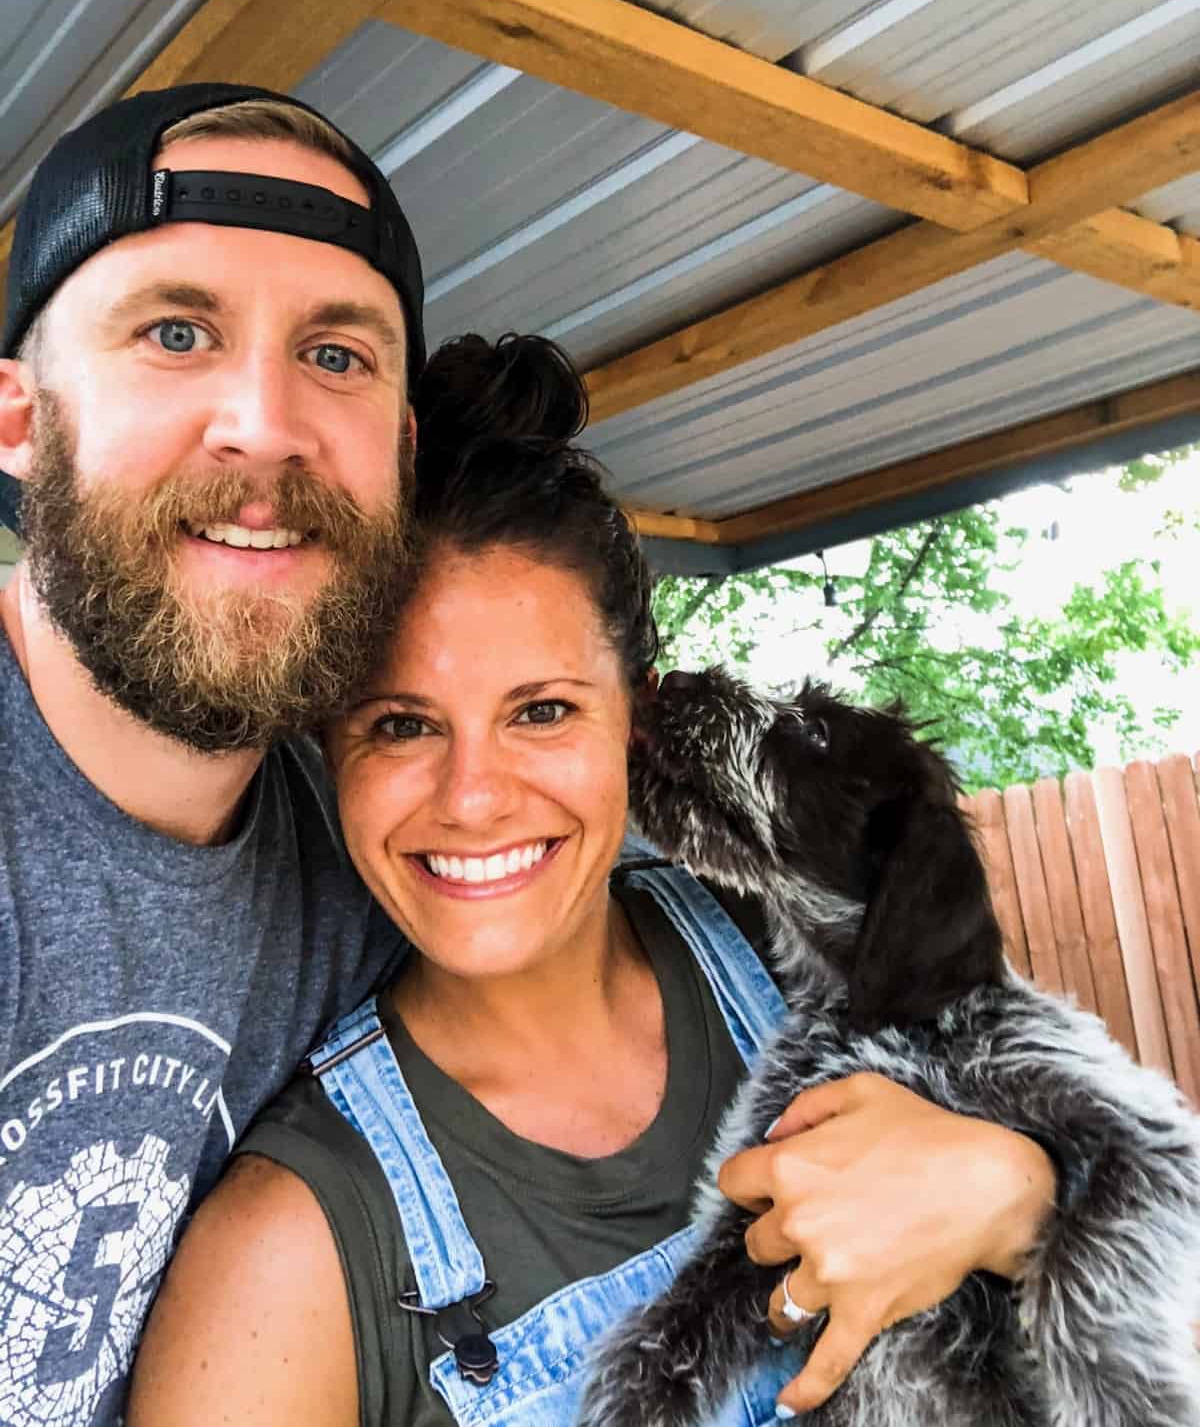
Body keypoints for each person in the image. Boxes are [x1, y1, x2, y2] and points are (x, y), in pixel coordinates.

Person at [127, 334, 1070, 1427]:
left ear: (639, 719)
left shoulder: (825, 946)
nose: (472, 796)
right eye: (400, 724)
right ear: (324, 748)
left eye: (542, 710)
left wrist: (1017, 1199)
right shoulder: (287, 1255)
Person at [0, 83, 426, 1426]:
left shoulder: (393, 851)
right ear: (17, 420)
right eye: (177, 332)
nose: (265, 424)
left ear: (402, 456)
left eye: (339, 356)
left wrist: (987, 1156)